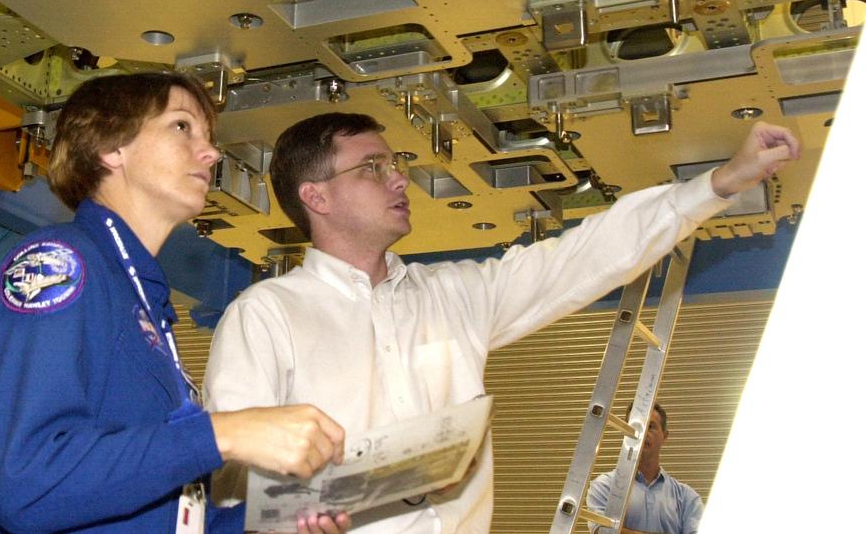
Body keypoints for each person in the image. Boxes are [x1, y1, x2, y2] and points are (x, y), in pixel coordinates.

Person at [204, 112, 798, 533]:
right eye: (372, 167)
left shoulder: (456, 296)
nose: (398, 178)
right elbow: (228, 470)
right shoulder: (265, 316)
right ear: (317, 197)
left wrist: (718, 184)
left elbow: (584, 256)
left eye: (397, 164)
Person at [0, 73, 352, 534]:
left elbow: (165, 515)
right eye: (181, 127)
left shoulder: (145, 302)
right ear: (110, 147)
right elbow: (27, 483)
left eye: (209, 138)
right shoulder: (58, 264)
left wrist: (271, 525)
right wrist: (225, 433)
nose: (211, 152)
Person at [586, 403, 702, 534]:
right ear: (625, 433)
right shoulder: (604, 486)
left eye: (651, 427)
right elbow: (602, 532)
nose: (641, 434)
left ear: (665, 436)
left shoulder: (687, 498)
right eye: (635, 427)